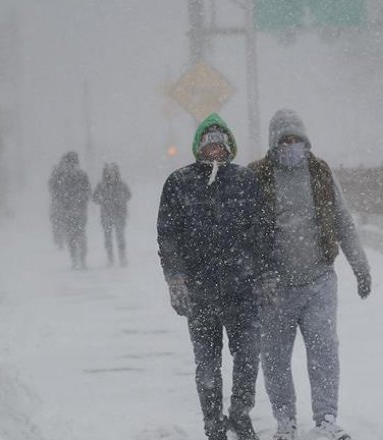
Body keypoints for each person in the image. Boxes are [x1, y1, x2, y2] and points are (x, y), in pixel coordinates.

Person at [249, 109, 372, 440]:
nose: (291, 146)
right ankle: (285, 422)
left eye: (296, 140)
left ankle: (326, 420)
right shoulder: (257, 176)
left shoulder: (319, 172)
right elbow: (239, 230)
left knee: (324, 353)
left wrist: (360, 267)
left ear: (305, 141)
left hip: (318, 281)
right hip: (274, 287)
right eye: (285, 140)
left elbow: (343, 221)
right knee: (274, 359)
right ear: (275, 144)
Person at [157, 113, 274, 440]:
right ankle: (213, 423)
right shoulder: (179, 182)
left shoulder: (245, 181)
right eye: (209, 146)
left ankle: (240, 411)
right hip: (200, 292)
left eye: (220, 145)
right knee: (208, 366)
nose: (215, 151)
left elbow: (263, 233)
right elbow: (168, 236)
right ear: (199, 148)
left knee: (249, 355)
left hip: (242, 288)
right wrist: (175, 279)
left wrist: (266, 275)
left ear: (229, 147)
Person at [50, 151, 91, 269]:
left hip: (72, 209)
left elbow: (53, 190)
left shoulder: (62, 175)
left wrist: (66, 200)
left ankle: (77, 259)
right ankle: (79, 259)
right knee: (77, 234)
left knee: (74, 235)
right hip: (75, 209)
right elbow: (88, 191)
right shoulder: (78, 174)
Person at [93, 162, 131, 266]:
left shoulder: (121, 184)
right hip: (107, 215)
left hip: (118, 214)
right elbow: (95, 197)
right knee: (108, 238)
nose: (110, 174)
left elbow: (128, 195)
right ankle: (110, 258)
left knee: (119, 237)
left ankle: (122, 257)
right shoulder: (101, 185)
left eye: (112, 172)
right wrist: (103, 201)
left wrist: (120, 201)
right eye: (108, 172)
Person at [48, 159, 66, 249]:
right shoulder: (64, 177)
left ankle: (58, 237)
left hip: (58, 202)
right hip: (61, 202)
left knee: (56, 221)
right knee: (59, 221)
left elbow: (50, 188)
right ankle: (60, 237)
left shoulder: (54, 178)